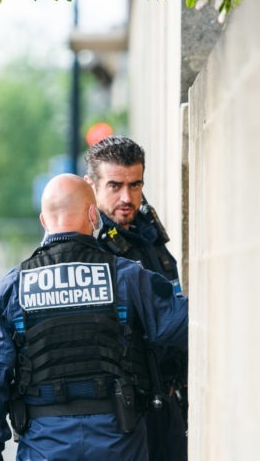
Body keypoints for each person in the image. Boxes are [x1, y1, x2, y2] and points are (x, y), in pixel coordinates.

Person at [0, 174, 188, 461]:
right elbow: (182, 325)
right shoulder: (127, 276)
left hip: (44, 444)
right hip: (118, 440)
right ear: (92, 214)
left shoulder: (13, 286)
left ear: (44, 221)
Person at [84, 136, 187, 461]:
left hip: (165, 402)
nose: (127, 197)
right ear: (92, 186)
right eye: (115, 186)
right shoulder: (87, 247)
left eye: (135, 184)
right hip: (120, 414)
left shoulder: (147, 235)